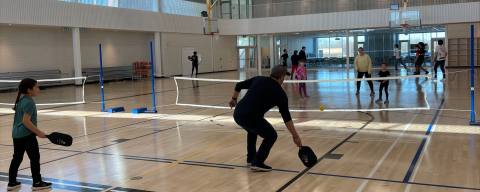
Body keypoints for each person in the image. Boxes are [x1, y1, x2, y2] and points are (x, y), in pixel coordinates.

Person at [229, 65, 302, 172]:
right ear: (281, 77)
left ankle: (251, 158)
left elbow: (238, 85)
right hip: (251, 116)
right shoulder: (280, 93)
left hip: (238, 113)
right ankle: (257, 162)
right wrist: (295, 136)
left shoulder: (259, 79)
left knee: (252, 131)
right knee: (271, 135)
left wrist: (234, 99)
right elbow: (287, 118)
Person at [8, 78, 52, 191]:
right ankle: (37, 182)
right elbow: (26, 121)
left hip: (16, 134)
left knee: (17, 158)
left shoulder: (22, 100)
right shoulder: (30, 103)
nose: (38, 89)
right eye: (36, 87)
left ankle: (12, 182)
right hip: (26, 135)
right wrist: (38, 131)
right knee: (34, 158)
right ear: (29, 89)